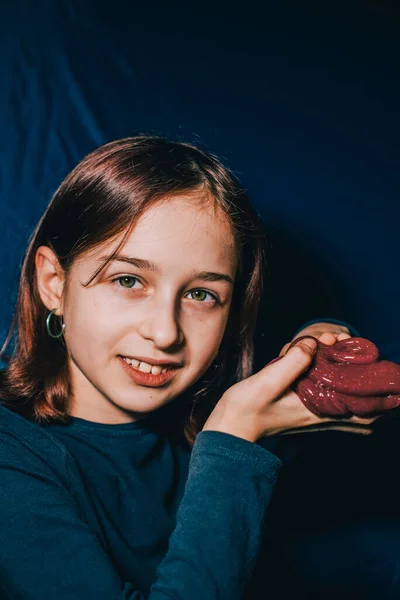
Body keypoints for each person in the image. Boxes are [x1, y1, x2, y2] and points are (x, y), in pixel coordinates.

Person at [0, 136, 368, 599]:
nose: (165, 333)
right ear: (54, 283)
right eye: (129, 280)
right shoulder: (11, 454)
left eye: (201, 295)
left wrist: (322, 338)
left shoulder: (204, 414)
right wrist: (234, 439)